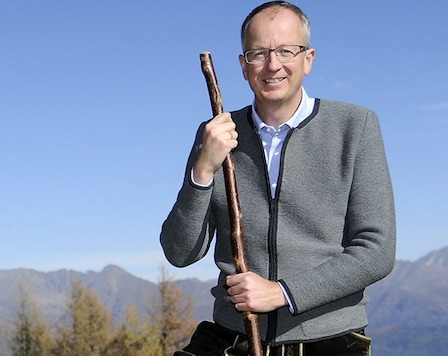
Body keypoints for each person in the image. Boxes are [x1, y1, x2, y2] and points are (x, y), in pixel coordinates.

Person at [160, 1, 396, 355]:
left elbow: (377, 251)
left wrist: (282, 292)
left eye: (286, 50)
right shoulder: (216, 134)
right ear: (243, 66)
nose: (273, 65)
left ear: (308, 58)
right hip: (235, 338)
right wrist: (203, 170)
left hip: (329, 343)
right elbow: (180, 253)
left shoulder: (355, 127)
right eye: (258, 53)